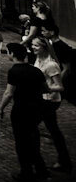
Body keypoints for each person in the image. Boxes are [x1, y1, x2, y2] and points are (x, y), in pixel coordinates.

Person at [1, 42, 48, 182]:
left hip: (21, 110)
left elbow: (9, 93)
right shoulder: (36, 70)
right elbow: (45, 89)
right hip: (36, 109)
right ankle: (41, 170)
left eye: (8, 52)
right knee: (33, 138)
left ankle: (26, 172)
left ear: (12, 54)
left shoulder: (14, 71)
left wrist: (1, 108)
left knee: (21, 142)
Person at [31, 37, 71, 172]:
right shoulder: (38, 60)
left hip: (50, 101)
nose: (33, 48)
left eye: (36, 46)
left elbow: (60, 87)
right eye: (32, 45)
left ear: (44, 47)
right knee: (53, 130)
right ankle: (64, 160)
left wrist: (46, 89)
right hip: (43, 99)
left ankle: (36, 162)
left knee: (31, 127)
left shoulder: (51, 65)